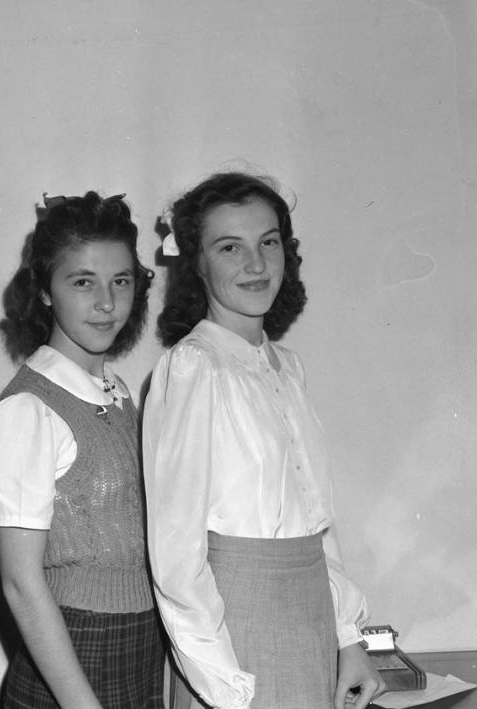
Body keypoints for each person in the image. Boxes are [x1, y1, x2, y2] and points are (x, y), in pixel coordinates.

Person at [143, 172, 384, 709]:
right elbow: (176, 558)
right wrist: (226, 686)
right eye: (230, 248)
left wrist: (350, 640)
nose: (255, 264)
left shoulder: (288, 368)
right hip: (232, 638)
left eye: (268, 242)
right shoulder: (193, 368)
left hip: (310, 625)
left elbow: (320, 526)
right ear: (198, 264)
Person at [0, 192, 163, 708]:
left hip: (138, 646)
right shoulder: (29, 408)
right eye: (82, 282)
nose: (107, 303)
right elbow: (20, 583)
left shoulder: (120, 393)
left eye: (121, 281)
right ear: (44, 291)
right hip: (72, 660)